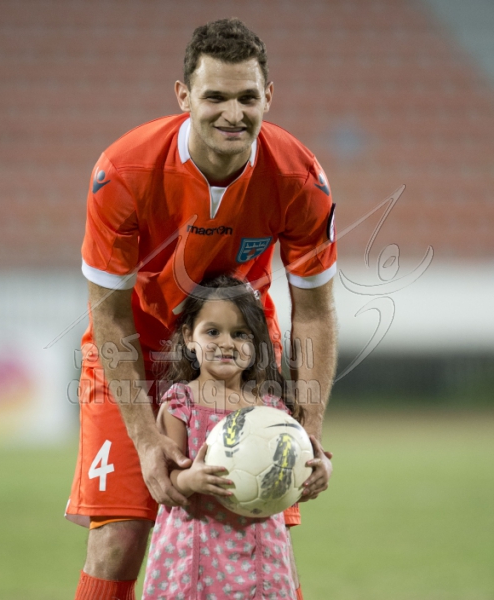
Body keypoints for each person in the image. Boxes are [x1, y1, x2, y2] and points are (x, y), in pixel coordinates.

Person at [67, 17, 337, 600]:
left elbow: (315, 311)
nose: (232, 114)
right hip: (134, 348)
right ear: (184, 96)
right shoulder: (123, 172)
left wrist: (308, 427)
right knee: (117, 542)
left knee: (256, 526)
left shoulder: (299, 178)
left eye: (247, 98)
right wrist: (147, 440)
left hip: (236, 352)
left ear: (269, 96)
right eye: (215, 96)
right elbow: (109, 315)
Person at [142, 275, 314, 600]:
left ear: (255, 342)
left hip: (260, 552)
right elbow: (166, 480)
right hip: (197, 551)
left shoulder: (271, 410)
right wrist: (190, 479)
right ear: (189, 337)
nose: (226, 343)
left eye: (239, 334)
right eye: (212, 332)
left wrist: (318, 471)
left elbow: (301, 462)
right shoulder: (181, 403)